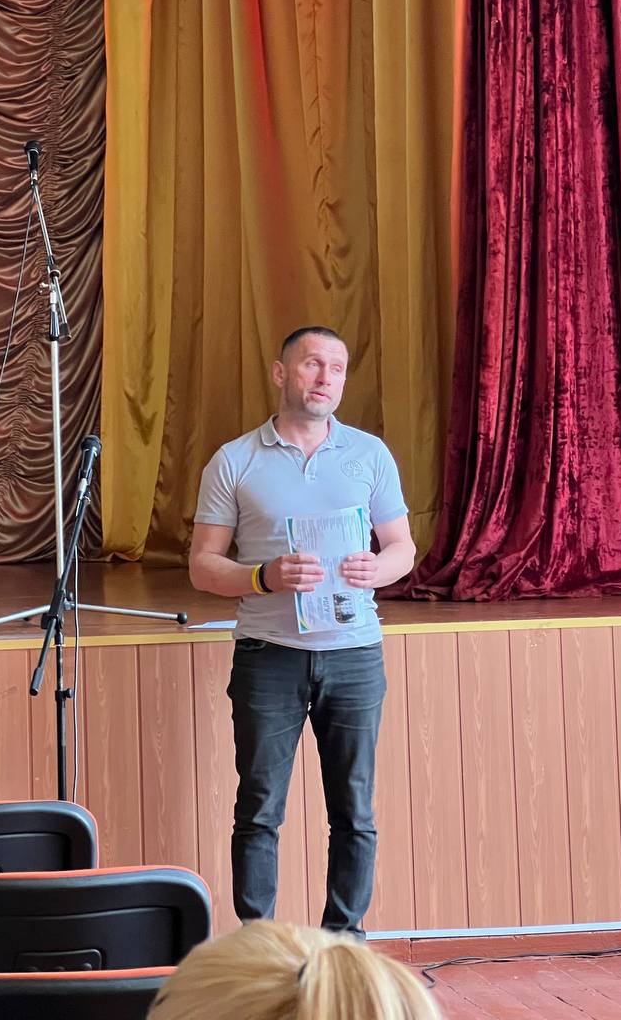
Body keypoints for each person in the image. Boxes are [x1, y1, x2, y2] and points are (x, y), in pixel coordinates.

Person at [189, 327, 416, 935]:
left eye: (337, 368)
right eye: (313, 364)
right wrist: (262, 576)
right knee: (260, 808)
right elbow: (203, 566)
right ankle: (260, 942)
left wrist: (379, 570)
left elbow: (402, 547)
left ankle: (344, 942)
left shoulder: (370, 455)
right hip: (269, 656)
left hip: (354, 654)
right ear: (280, 373)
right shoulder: (234, 460)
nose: (325, 377)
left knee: (355, 810)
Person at [148, 919, 442, 1020]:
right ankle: (259, 950)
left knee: (356, 823)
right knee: (258, 820)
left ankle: (344, 937)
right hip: (254, 969)